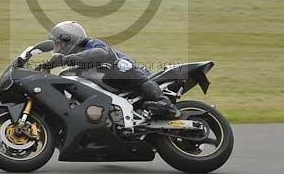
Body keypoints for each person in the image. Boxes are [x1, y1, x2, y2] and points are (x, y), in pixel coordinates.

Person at [36, 21, 180, 118]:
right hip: (115, 88)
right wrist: (46, 70)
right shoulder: (77, 64)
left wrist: (64, 60)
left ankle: (164, 102)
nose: (57, 50)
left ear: (69, 40)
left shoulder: (91, 44)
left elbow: (100, 54)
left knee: (121, 70)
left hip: (131, 74)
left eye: (58, 45)